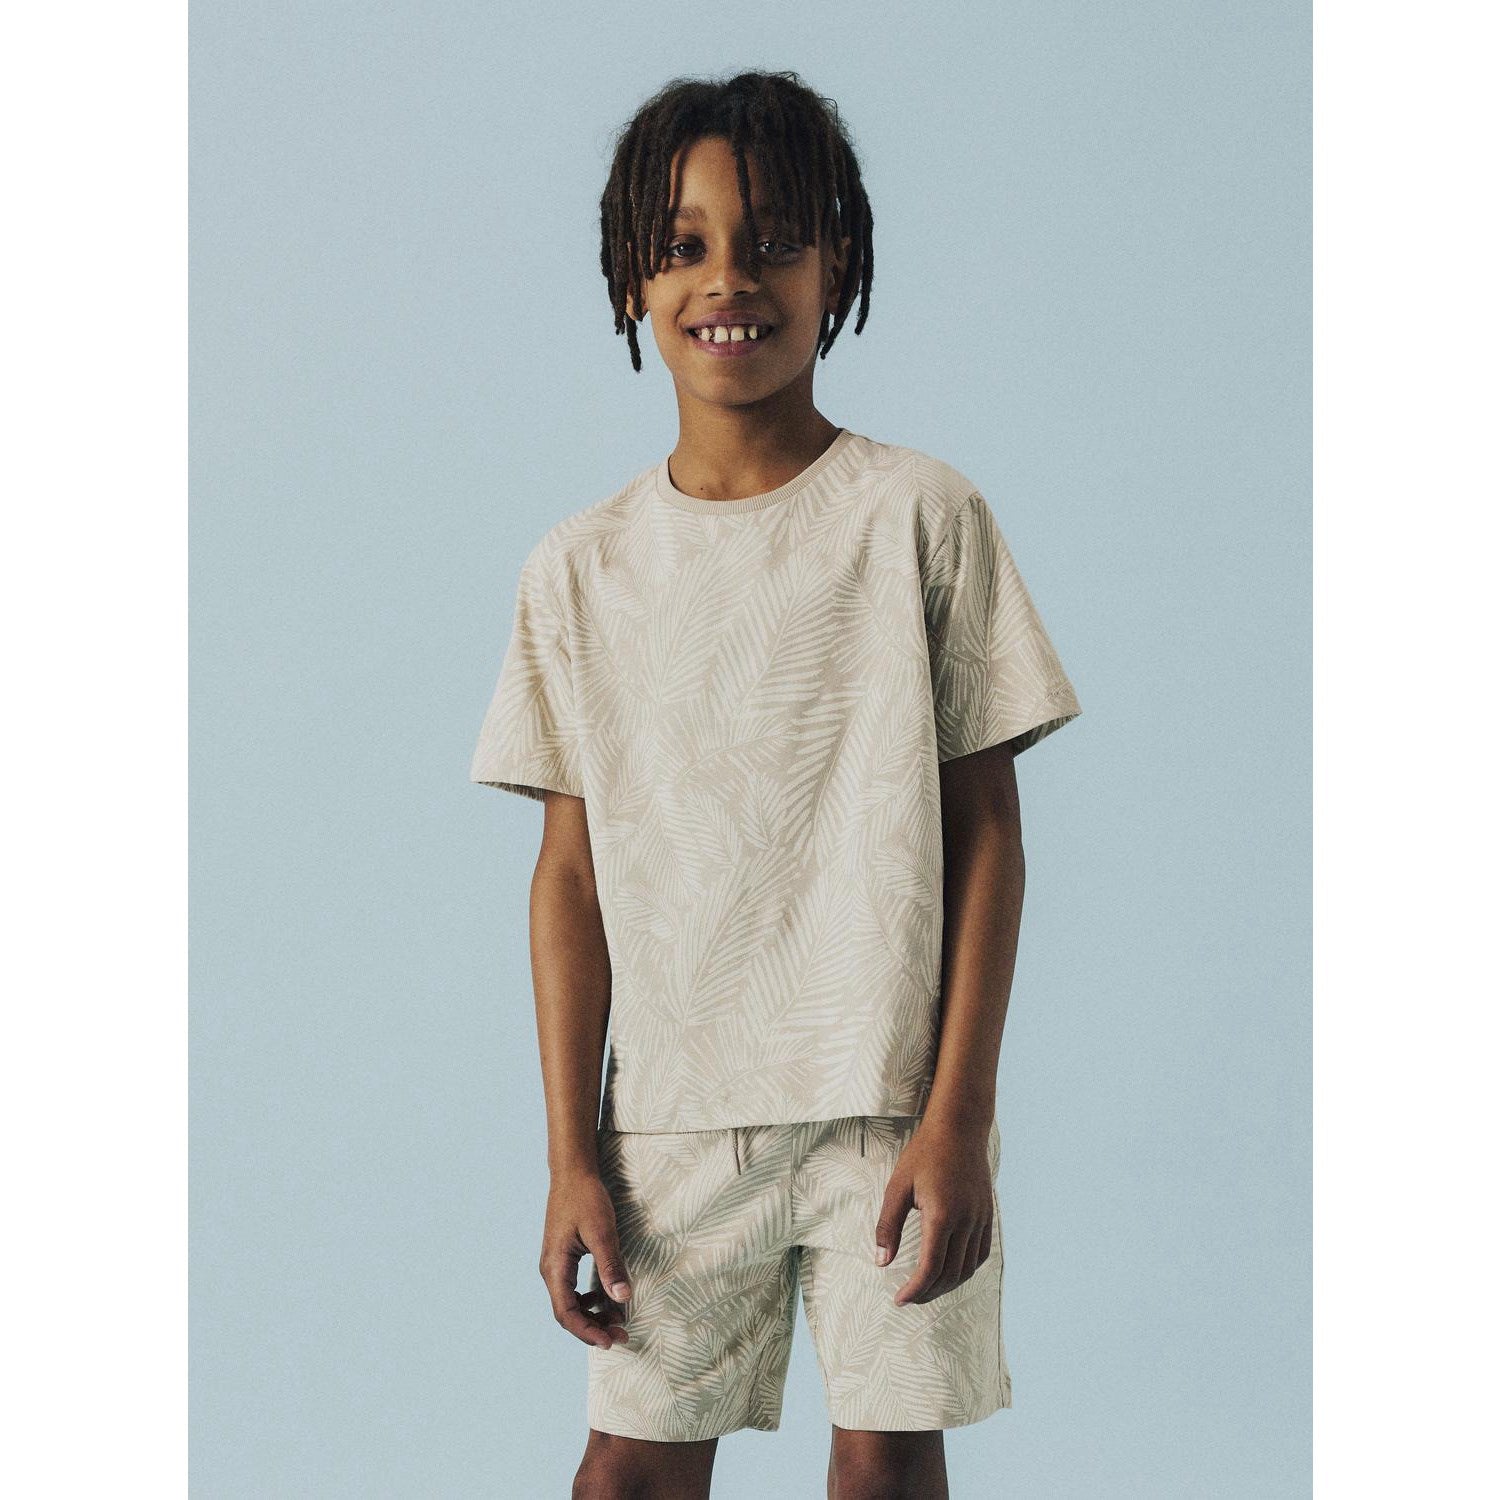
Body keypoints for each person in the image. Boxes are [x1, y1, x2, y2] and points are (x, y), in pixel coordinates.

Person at [470, 68, 1082, 1500]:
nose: (728, 279)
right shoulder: (580, 570)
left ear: (838, 264)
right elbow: (569, 878)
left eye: (774, 241)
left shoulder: (920, 518)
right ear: (633, 278)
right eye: (682, 245)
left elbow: (989, 836)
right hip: (671, 1120)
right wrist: (570, 1155)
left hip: (890, 1107)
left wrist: (958, 1118)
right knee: (628, 1474)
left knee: (883, 1471)